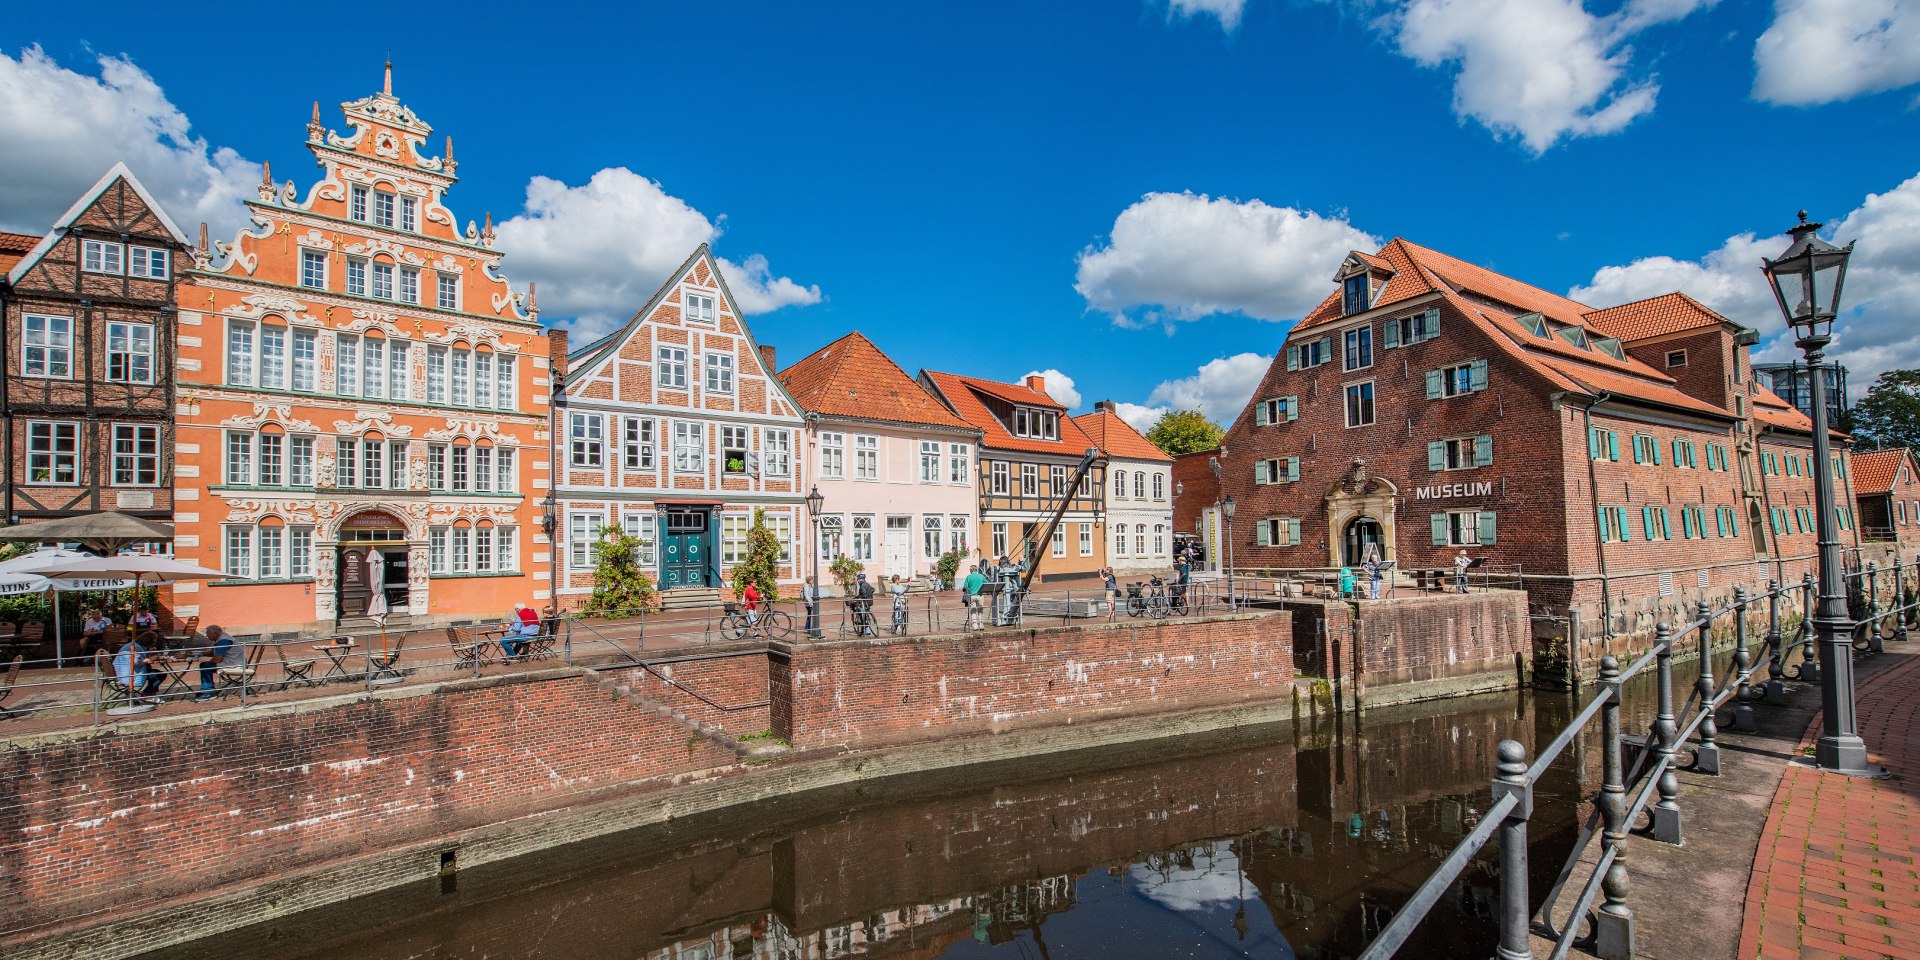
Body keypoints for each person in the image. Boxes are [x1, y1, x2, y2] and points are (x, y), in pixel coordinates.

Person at [195, 625, 243, 701]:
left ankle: (209, 692)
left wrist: (206, 662)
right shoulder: (220, 639)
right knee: (205, 665)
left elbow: (217, 659)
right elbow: (212, 653)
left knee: (206, 666)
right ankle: (206, 689)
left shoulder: (223, 641)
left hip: (234, 664)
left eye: (208, 633)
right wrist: (197, 653)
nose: (206, 635)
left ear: (215, 633)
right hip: (232, 662)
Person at [113, 633, 160, 702]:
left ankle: (150, 692)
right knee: (158, 675)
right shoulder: (136, 648)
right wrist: (150, 659)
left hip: (123, 672)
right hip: (130, 674)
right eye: (153, 642)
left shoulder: (133, 645)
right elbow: (135, 663)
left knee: (158, 674)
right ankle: (147, 693)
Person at [963, 564, 986, 630]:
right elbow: (986, 583)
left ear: (971, 570)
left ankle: (975, 625)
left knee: (973, 610)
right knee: (980, 610)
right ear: (976, 570)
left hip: (972, 596)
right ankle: (981, 624)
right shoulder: (981, 576)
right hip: (980, 595)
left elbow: (965, 587)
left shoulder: (968, 577)